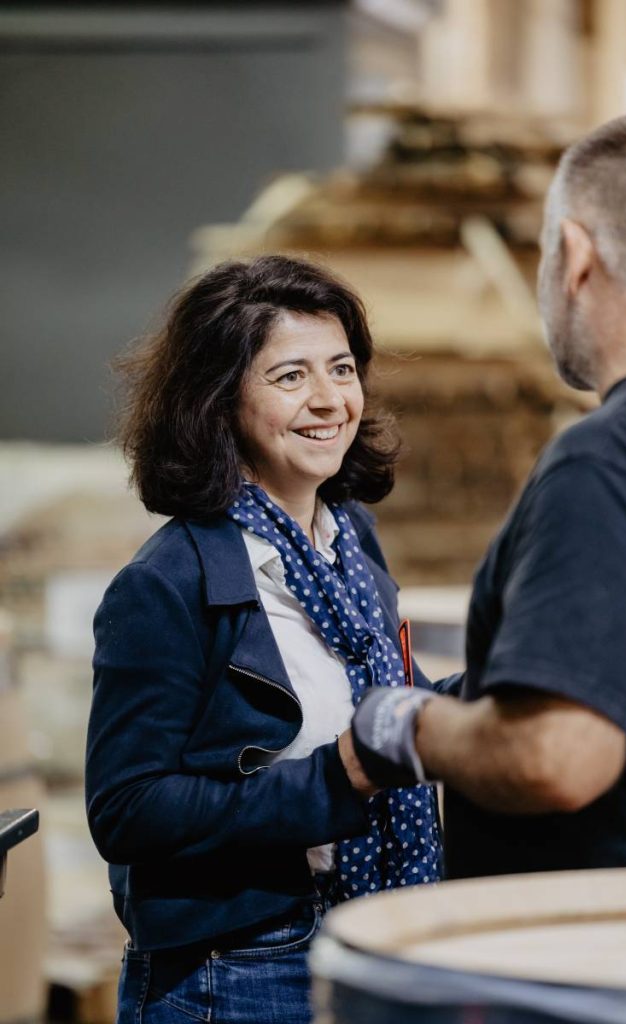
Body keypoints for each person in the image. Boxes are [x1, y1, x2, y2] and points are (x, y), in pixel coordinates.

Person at [85, 254, 444, 1024]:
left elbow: (385, 703)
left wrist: (489, 694)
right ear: (218, 401)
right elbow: (127, 810)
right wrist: (337, 780)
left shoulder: (349, 543)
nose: (329, 400)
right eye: (290, 377)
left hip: (370, 932)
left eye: (341, 369)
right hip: (240, 966)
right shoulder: (167, 583)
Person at [350, 110, 626, 879]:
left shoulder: (612, 461)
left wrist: (400, 724)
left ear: (574, 255)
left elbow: (554, 758)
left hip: (607, 938)